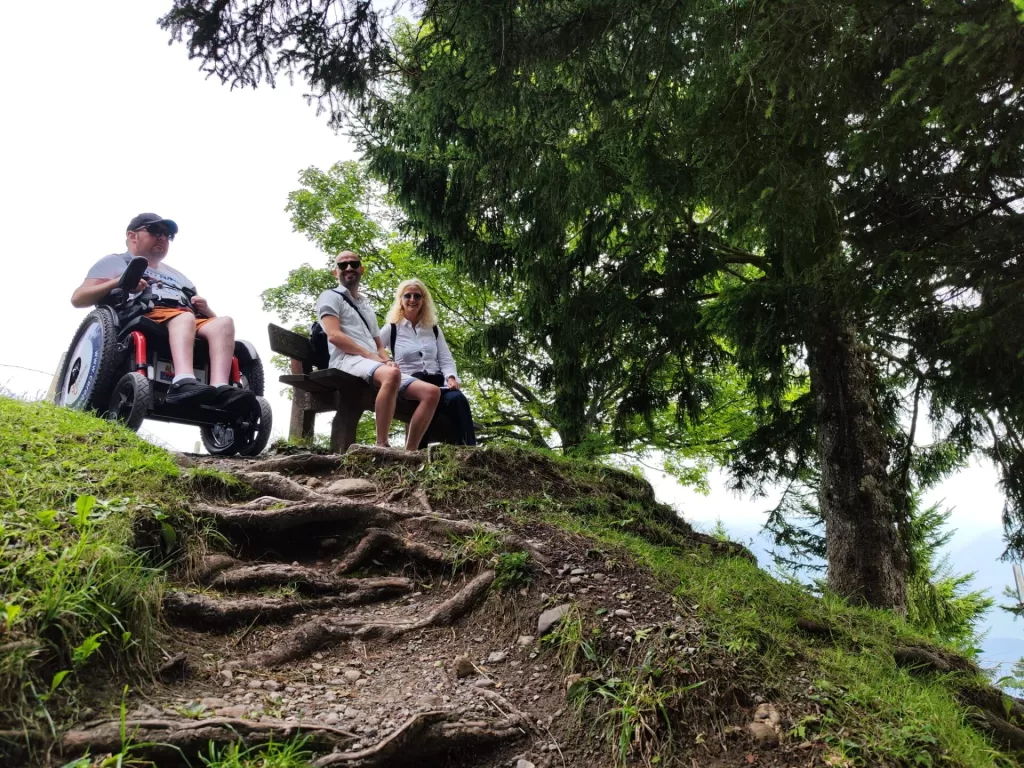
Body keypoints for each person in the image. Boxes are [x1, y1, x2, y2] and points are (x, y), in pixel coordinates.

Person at [71, 212, 249, 406]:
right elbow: (78, 298)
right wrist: (119, 282)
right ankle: (182, 381)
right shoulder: (115, 262)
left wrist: (207, 310)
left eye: (168, 235)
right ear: (132, 236)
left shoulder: (179, 277)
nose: (163, 238)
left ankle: (220, 388)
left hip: (183, 316)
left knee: (224, 323)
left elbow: (202, 318)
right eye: (155, 231)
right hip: (142, 312)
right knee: (184, 318)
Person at [316, 251, 440, 450]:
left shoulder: (366, 306)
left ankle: (409, 453)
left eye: (354, 264)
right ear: (335, 272)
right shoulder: (330, 297)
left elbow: (379, 344)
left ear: (361, 269)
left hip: (371, 363)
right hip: (347, 360)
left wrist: (385, 359)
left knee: (431, 392)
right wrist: (374, 358)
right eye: (343, 265)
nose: (349, 268)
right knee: (391, 375)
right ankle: (382, 445)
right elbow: (334, 336)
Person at [380, 279, 477, 446]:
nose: (412, 300)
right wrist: (388, 362)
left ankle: (469, 451)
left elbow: (445, 358)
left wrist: (451, 378)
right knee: (425, 400)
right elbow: (374, 351)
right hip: (411, 384)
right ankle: (416, 455)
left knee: (458, 399)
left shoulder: (433, 329)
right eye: (407, 296)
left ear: (423, 300)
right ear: (400, 300)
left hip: (438, 383)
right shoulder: (392, 328)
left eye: (417, 296)